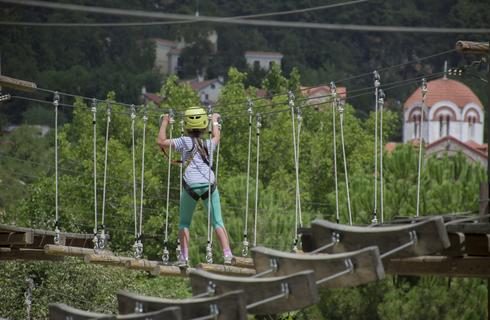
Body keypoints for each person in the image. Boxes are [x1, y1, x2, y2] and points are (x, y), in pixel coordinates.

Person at [157, 106, 233, 266]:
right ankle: (227, 254)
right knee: (217, 222)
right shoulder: (209, 144)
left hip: (190, 186)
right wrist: (215, 122)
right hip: (208, 185)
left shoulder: (183, 141)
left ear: (186, 126)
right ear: (204, 126)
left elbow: (161, 142)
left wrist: (164, 123)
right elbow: (217, 137)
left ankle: (184, 258)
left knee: (184, 223)